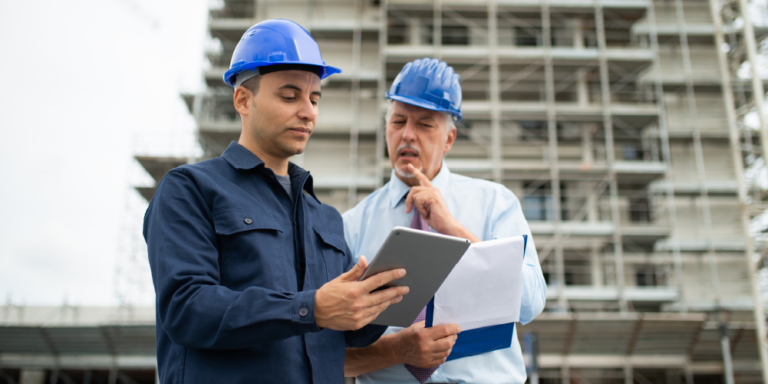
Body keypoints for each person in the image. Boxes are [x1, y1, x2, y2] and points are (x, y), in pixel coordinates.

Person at [143, 19, 409, 384]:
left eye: (315, 98)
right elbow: (186, 309)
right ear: (243, 99)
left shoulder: (326, 218)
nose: (308, 111)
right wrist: (310, 308)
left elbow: (343, 335)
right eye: (290, 96)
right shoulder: (190, 189)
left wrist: (379, 303)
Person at [342, 58, 547, 384]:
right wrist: (398, 350)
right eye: (398, 121)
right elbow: (330, 357)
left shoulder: (496, 203)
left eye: (424, 124)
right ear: (385, 129)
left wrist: (452, 229)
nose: (407, 135)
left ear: (449, 139)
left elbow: (531, 304)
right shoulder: (351, 226)